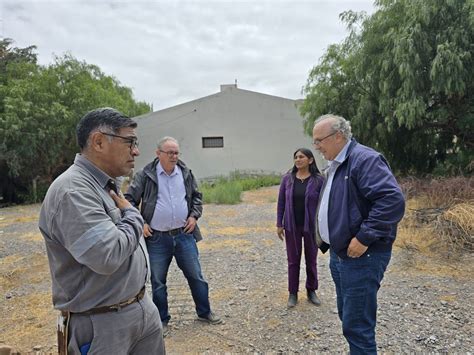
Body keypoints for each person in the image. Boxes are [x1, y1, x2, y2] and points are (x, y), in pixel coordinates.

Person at [38, 108, 165, 354]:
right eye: (130, 142)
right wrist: (133, 215)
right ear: (98, 142)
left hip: (138, 307)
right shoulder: (73, 191)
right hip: (103, 324)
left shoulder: (106, 184)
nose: (136, 151)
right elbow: (107, 255)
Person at [312, 114, 405, 354]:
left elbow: (391, 200)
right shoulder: (337, 163)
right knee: (348, 316)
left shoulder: (365, 159)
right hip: (341, 254)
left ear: (338, 136)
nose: (316, 147)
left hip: (362, 256)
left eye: (319, 140)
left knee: (357, 326)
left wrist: (364, 237)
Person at [125, 136, 222, 337]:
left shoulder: (185, 173)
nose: (174, 156)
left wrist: (194, 216)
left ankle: (204, 312)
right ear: (158, 153)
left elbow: (197, 197)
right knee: (158, 281)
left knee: (196, 276)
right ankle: (162, 320)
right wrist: (140, 222)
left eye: (176, 152)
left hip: (184, 235)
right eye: (169, 152)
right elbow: (129, 201)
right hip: (157, 238)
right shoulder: (146, 175)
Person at [276, 148, 324, 308]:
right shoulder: (287, 180)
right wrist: (279, 224)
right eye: (295, 157)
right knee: (293, 261)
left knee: (311, 260)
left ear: (310, 160)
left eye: (301, 157)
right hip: (291, 226)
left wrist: (323, 226)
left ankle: (311, 290)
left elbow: (324, 204)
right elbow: (281, 202)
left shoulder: (318, 180)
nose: (298, 159)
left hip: (311, 227)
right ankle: (292, 293)